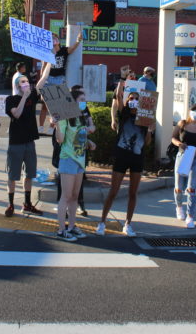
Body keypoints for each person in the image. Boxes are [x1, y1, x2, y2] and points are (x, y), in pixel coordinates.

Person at [96, 79, 154, 237]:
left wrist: (149, 130)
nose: (134, 100)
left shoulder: (145, 118)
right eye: (131, 98)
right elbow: (118, 98)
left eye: (137, 98)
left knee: (133, 193)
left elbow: (147, 143)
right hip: (122, 155)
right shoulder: (124, 114)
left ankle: (128, 224)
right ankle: (102, 222)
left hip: (137, 157)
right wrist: (122, 81)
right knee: (113, 191)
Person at [4, 64, 50, 217]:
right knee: (13, 175)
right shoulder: (10, 99)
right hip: (15, 143)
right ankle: (10, 204)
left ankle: (27, 203)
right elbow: (16, 114)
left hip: (29, 142)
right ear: (17, 85)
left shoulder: (32, 95)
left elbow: (43, 80)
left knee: (29, 174)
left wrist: (48, 61)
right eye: (22, 82)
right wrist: (24, 97)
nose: (26, 84)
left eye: (26, 81)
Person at [54, 89, 96, 241]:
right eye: (81, 99)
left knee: (74, 196)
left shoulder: (81, 118)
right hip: (68, 160)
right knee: (65, 196)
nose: (84, 102)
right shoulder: (64, 118)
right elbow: (60, 140)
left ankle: (71, 226)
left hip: (80, 160)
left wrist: (89, 143)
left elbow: (79, 138)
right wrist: (57, 123)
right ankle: (61, 230)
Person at [172, 103, 196, 229]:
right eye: (194, 110)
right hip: (182, 157)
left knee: (192, 188)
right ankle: (179, 207)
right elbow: (173, 137)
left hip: (195, 159)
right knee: (178, 187)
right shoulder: (182, 124)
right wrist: (179, 143)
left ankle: (190, 215)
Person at [38, 32, 83, 134]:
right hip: (48, 78)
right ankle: (40, 127)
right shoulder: (48, 52)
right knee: (45, 104)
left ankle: (51, 127)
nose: (53, 40)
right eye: (51, 39)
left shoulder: (63, 50)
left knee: (57, 105)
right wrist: (41, 80)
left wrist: (78, 40)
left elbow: (72, 49)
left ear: (58, 40)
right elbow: (44, 67)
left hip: (59, 78)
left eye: (55, 38)